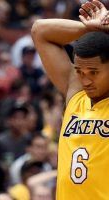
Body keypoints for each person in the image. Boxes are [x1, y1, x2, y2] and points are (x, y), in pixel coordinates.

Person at [31, 0, 109, 199]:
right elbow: (40, 30)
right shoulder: (76, 94)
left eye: (93, 72)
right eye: (79, 72)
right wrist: (90, 28)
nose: (85, 80)